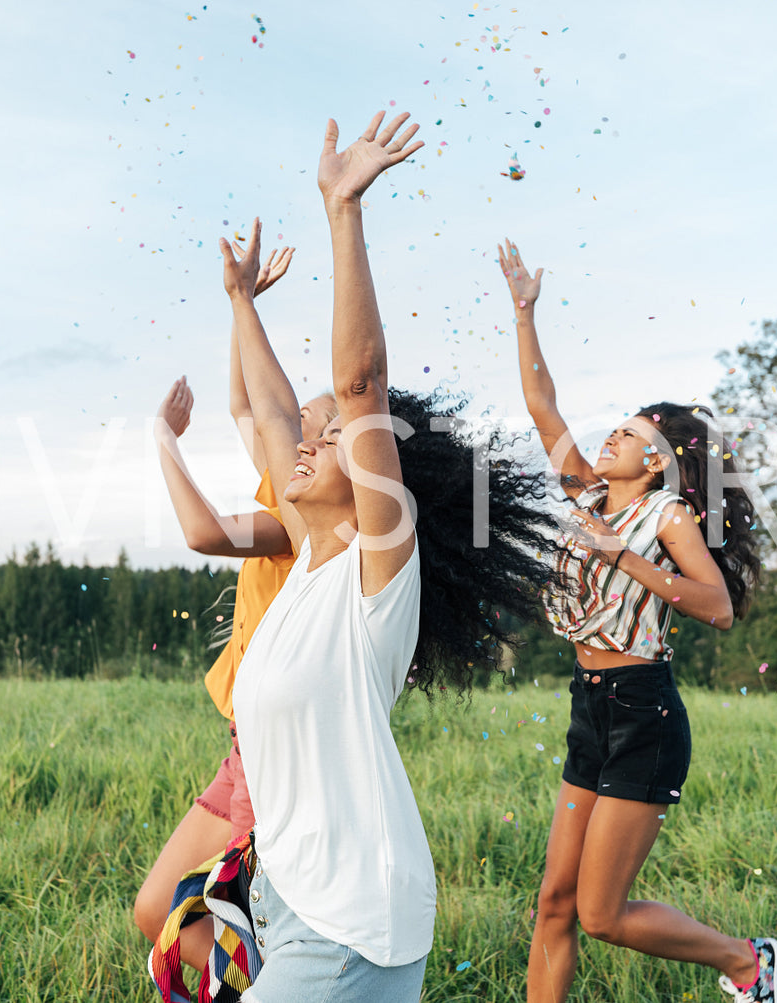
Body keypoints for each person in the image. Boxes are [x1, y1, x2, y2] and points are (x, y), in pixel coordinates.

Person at [227, 112, 559, 1001]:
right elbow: (268, 416)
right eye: (313, 432)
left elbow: (361, 383)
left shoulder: (378, 569)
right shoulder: (309, 566)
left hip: (349, 923)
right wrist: (240, 306)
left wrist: (343, 213)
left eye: (329, 438)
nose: (305, 441)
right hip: (296, 909)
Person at [496, 239, 777, 1003]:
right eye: (613, 430)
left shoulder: (666, 513)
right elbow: (540, 406)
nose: (609, 439)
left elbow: (715, 606)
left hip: (643, 713)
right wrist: (525, 314)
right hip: (589, 705)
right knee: (553, 902)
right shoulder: (591, 497)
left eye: (627, 434)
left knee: (600, 912)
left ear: (654, 462)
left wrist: (626, 557)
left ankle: (747, 961)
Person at [134, 243, 338, 982]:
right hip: (242, 746)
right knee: (157, 907)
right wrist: (240, 301)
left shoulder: (299, 522)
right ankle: (274, 984)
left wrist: (161, 440)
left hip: (275, 757)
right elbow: (249, 404)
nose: (286, 432)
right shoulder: (281, 493)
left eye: (308, 424)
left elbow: (200, 533)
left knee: (274, 936)